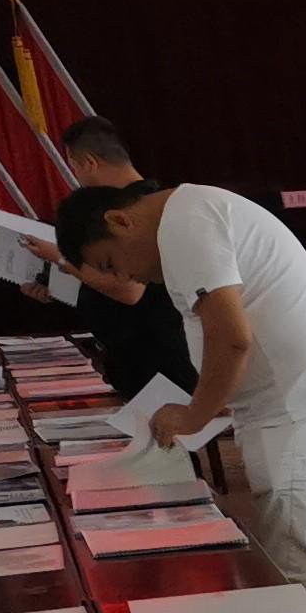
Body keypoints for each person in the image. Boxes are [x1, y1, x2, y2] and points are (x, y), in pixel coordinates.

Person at [56, 175, 306, 613]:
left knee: (298, 571)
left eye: (111, 262)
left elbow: (231, 336)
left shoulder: (184, 224)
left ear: (120, 220)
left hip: (296, 414)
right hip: (300, 407)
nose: (125, 276)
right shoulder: (192, 214)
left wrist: (193, 415)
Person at [31, 119, 195, 402]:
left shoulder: (142, 207)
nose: (77, 178)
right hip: (128, 355)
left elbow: (130, 290)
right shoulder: (121, 205)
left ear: (89, 163)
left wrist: (61, 259)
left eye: (74, 167)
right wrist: (56, 284)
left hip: (157, 356)